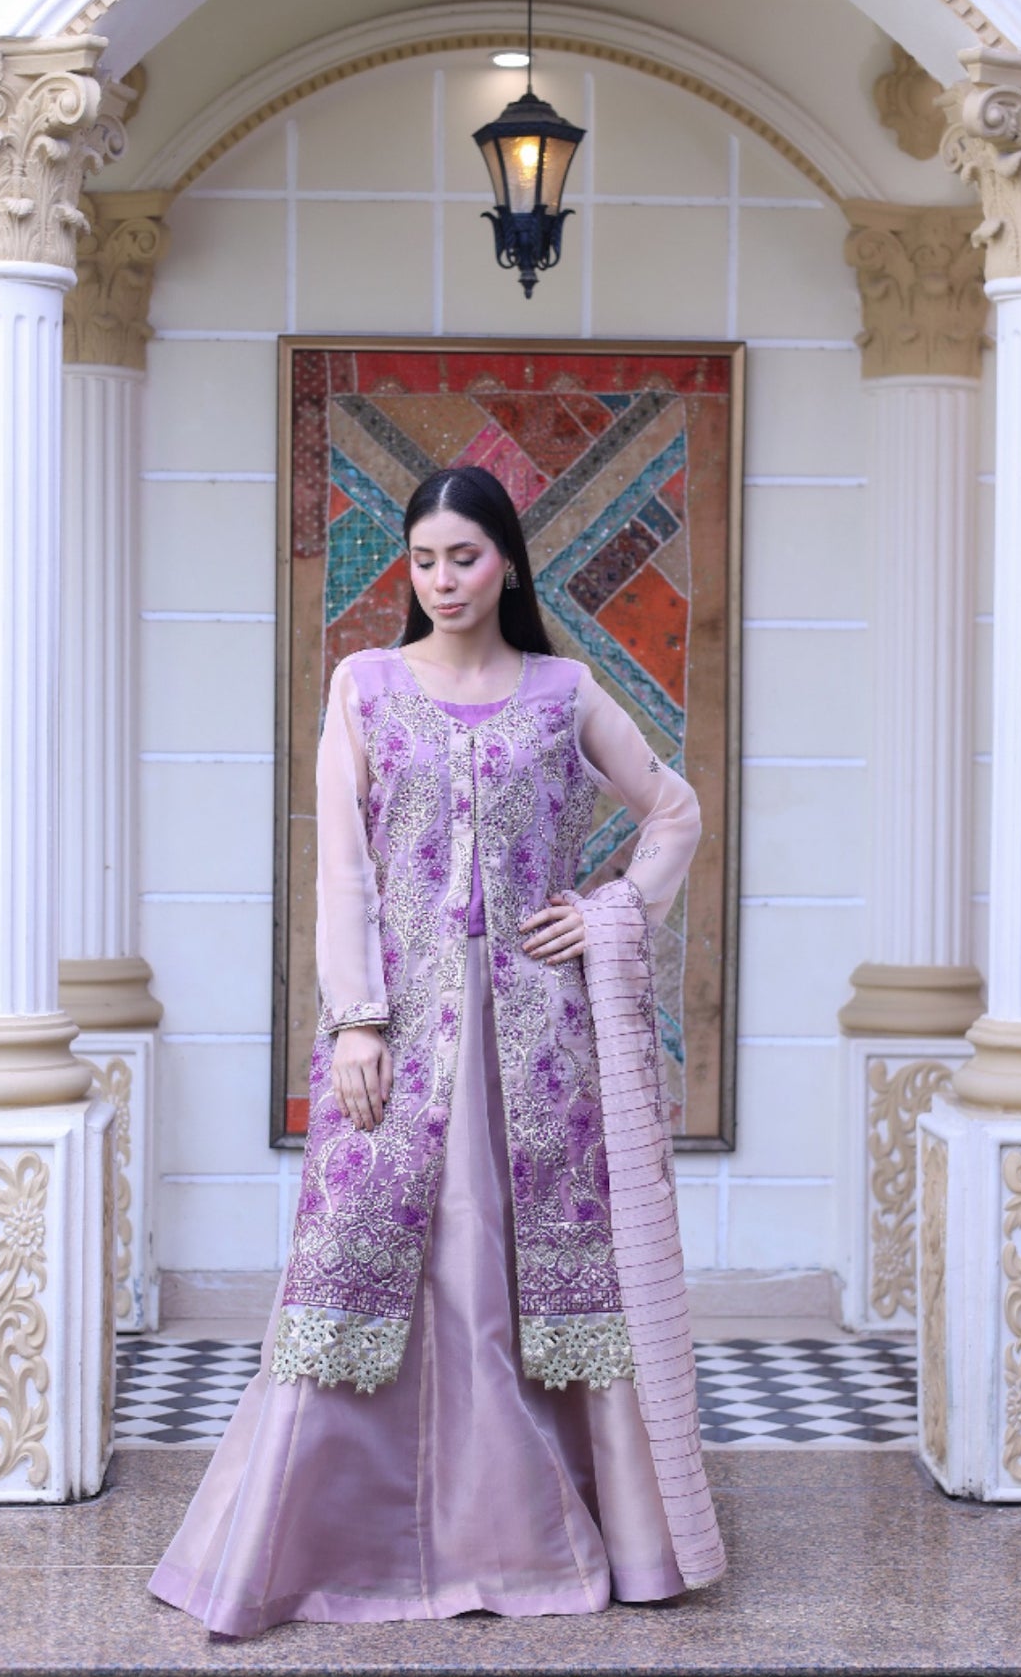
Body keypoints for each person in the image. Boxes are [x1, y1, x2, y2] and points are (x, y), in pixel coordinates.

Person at [148, 466, 725, 1634]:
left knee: (535, 1284)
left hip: (539, 1047)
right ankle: (315, 1544)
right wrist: (354, 1017)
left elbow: (675, 811)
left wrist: (611, 909)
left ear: (506, 559)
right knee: (351, 1269)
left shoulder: (563, 691)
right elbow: (343, 869)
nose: (442, 579)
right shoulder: (362, 687)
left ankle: (529, 1545)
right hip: (401, 1036)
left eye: (463, 556)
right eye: (423, 560)